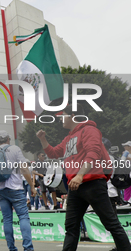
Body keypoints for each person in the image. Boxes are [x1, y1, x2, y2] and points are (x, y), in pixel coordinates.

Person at [36, 104, 131, 251]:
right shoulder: (68, 138)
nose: (61, 118)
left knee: (111, 224)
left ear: (73, 115)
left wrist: (80, 176)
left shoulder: (90, 130)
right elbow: (53, 153)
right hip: (75, 186)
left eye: (63, 115)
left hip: (92, 183)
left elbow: (93, 153)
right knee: (71, 228)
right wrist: (43, 139)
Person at [0, 130, 35, 251]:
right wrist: (32, 186)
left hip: (0, 189)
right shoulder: (15, 149)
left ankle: (11, 248)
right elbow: (24, 169)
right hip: (15, 188)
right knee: (23, 217)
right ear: (8, 140)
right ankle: (28, 248)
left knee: (7, 219)